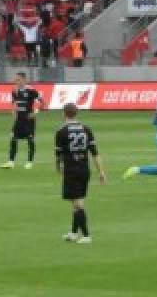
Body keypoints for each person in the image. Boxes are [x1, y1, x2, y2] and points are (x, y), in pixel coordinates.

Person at [56, 102, 106, 244]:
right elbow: (95, 154)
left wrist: (60, 171)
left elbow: (58, 156)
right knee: (77, 202)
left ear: (64, 114)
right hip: (84, 169)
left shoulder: (61, 131)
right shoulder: (86, 129)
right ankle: (73, 233)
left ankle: (86, 235)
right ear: (76, 113)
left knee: (78, 204)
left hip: (71, 170)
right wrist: (101, 172)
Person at [1, 73, 44, 169]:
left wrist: (35, 112)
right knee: (13, 138)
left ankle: (29, 162)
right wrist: (14, 110)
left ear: (24, 80)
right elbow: (15, 103)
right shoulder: (14, 91)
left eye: (18, 79)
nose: (17, 81)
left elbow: (42, 102)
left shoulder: (31, 90)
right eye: (16, 80)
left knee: (30, 139)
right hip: (19, 119)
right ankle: (11, 162)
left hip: (29, 119)